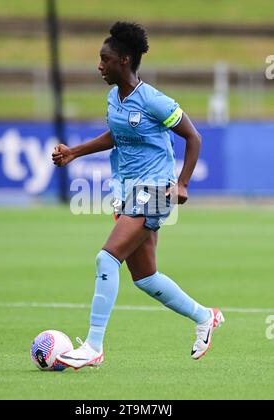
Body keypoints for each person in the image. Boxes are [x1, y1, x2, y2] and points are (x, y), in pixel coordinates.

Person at [52, 22, 224, 371]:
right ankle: (206, 317)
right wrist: (75, 152)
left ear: (124, 61)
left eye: (105, 59)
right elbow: (115, 136)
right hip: (126, 191)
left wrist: (183, 183)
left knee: (106, 259)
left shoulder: (154, 100)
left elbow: (194, 137)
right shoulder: (114, 97)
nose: (99, 66)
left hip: (156, 190)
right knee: (146, 278)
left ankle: (93, 347)